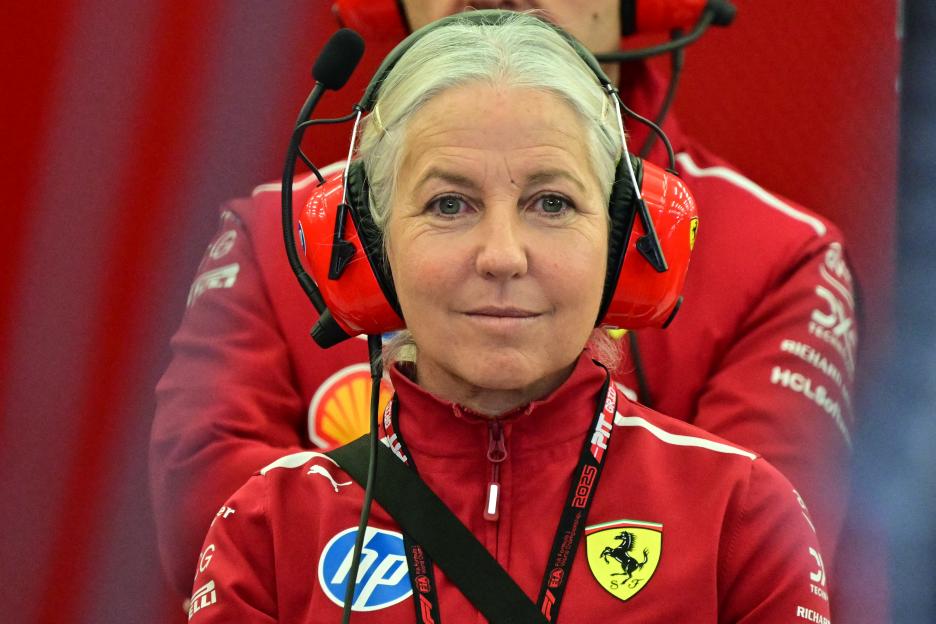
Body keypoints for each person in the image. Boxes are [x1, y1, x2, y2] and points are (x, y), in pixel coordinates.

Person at [151, 0, 855, 615]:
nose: (502, 256)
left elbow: (760, 550)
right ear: (362, 238)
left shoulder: (778, 253)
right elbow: (211, 523)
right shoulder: (267, 233)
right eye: (448, 205)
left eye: (552, 204)